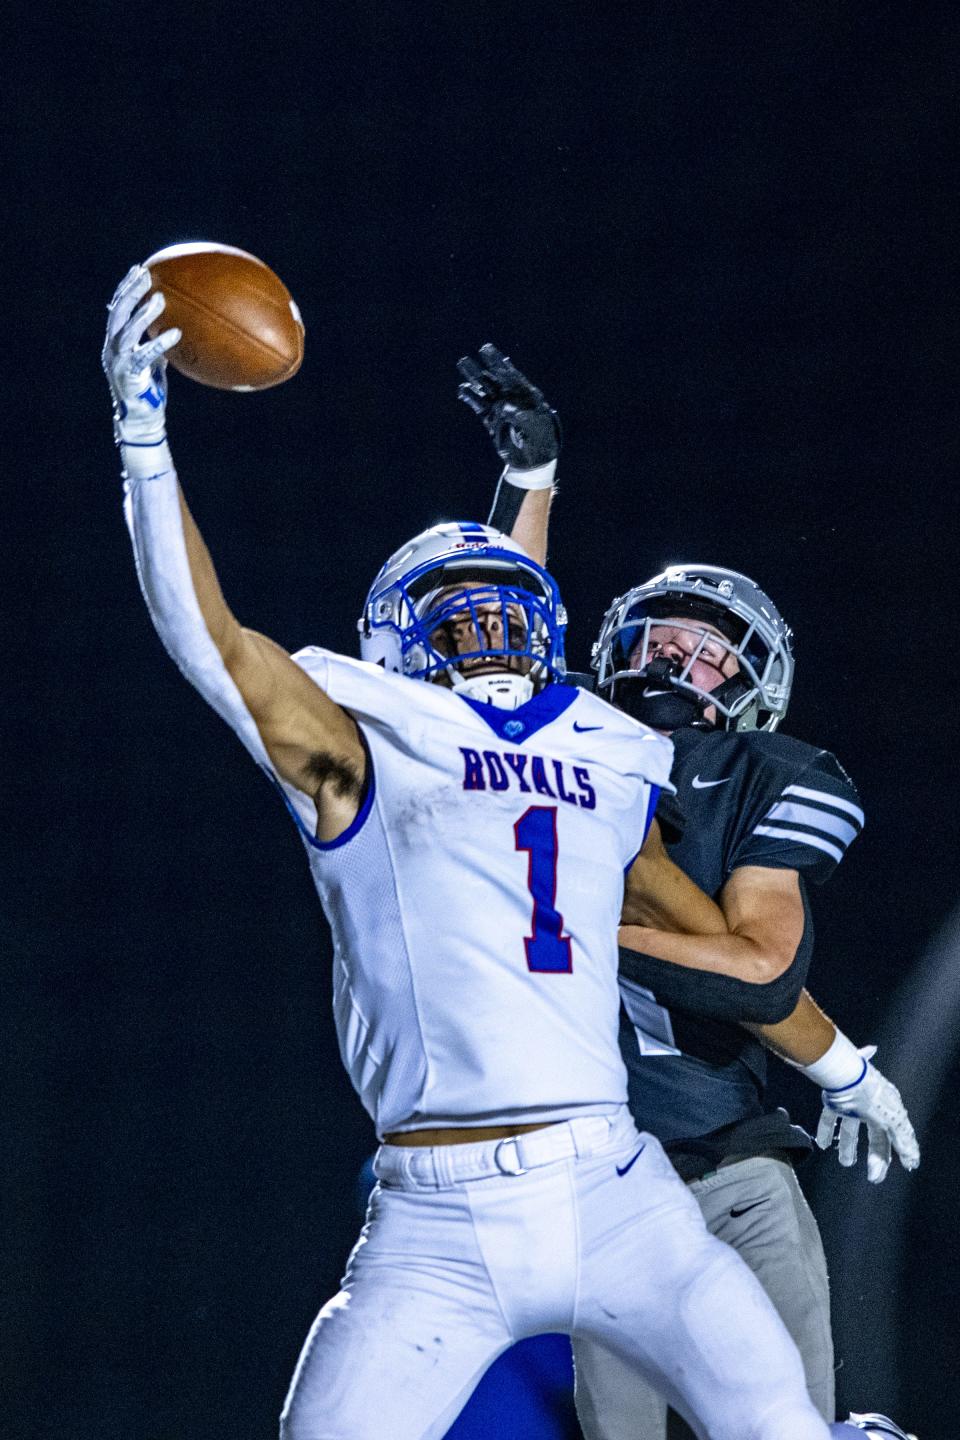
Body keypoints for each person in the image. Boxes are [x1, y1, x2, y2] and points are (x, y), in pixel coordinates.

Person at [102, 265, 839, 1440]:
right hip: (437, 1217)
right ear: (395, 647)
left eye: (503, 608)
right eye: (454, 612)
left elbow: (727, 946)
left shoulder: (606, 752)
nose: (485, 624)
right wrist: (145, 444)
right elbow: (217, 647)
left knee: (790, 1429)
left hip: (616, 1185)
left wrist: (840, 1061)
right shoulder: (372, 741)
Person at [458, 344, 920, 1440]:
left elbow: (761, 973)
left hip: (734, 1160)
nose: (678, 658)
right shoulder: (563, 732)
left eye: (711, 652)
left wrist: (566, 934)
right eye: (662, 636)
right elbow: (501, 647)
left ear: (754, 686)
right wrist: (530, 485)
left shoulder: (768, 775)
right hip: (590, 1174)